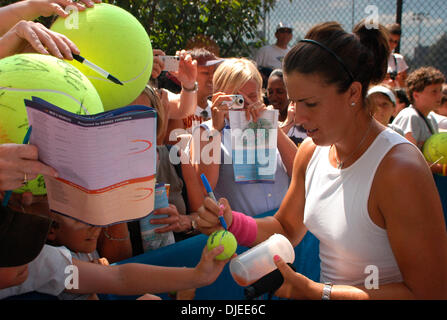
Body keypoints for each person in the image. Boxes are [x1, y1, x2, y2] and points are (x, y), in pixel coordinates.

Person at [196, 21, 447, 299]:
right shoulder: (310, 152)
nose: (299, 117)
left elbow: (430, 292)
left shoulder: (400, 169)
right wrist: (231, 222)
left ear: (353, 93)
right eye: (294, 102)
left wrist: (319, 293)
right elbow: (287, 228)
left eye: (311, 103)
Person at [0, 192, 229, 300]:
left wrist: (198, 276)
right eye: (15, 248)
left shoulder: (42, 264)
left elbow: (118, 277)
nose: (30, 255)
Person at [189, 58, 296, 217]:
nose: (246, 104)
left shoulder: (271, 125)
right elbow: (205, 188)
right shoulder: (206, 132)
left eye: (252, 96)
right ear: (221, 96)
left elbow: (300, 171)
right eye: (237, 98)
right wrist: (216, 131)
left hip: (283, 226)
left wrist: (271, 126)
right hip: (243, 234)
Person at [392, 67, 445, 175]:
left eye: (440, 90)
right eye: (434, 91)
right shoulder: (411, 117)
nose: (440, 96)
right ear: (416, 95)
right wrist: (442, 169)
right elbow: (409, 159)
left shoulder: (431, 118)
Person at [165, 47, 224, 141]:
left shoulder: (217, 108)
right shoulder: (176, 109)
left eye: (214, 72)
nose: (212, 78)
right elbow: (176, 148)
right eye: (205, 73)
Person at [266, 69, 308, 146]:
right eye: (270, 92)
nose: (274, 97)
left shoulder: (304, 123)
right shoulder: (265, 120)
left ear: (291, 93)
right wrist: (287, 123)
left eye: (280, 92)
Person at [255, 22, 293, 86]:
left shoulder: (292, 53)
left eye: (288, 32)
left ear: (291, 36)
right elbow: (254, 69)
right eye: (282, 31)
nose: (285, 34)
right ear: (276, 34)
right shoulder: (265, 51)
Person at [383, 23, 409, 89]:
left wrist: (399, 81)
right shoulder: (373, 58)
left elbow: (405, 86)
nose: (392, 44)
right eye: (390, 40)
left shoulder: (399, 59)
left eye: (396, 42)